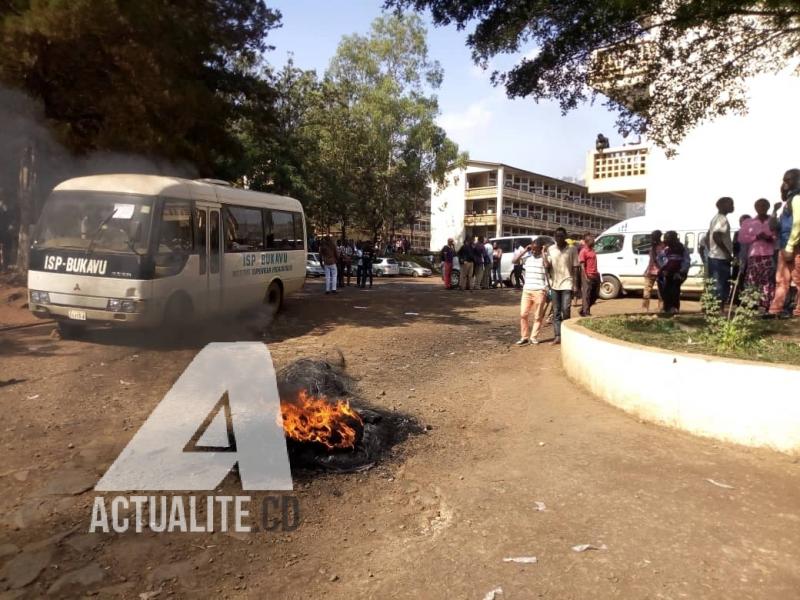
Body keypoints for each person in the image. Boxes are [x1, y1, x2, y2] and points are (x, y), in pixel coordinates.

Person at [769, 169, 800, 317]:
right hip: (784, 244)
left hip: (793, 245)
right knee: (781, 279)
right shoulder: (788, 200)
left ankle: (797, 311)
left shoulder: (797, 198)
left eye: (788, 180)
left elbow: (798, 224)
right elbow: (777, 226)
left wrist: (790, 246)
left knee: (798, 279)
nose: (785, 183)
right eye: (784, 180)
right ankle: (776, 309)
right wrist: (774, 214)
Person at [738, 199, 776, 312]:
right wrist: (756, 237)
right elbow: (742, 238)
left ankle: (765, 304)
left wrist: (770, 238)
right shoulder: (748, 222)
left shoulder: (773, 221)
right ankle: (751, 304)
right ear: (755, 207)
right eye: (759, 206)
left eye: (764, 205)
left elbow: (778, 235)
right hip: (754, 255)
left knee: (767, 280)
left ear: (768, 207)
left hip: (769, 254)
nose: (761, 208)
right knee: (752, 279)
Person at [544, 227, 579, 345]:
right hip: (554, 284)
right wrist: (544, 257)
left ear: (565, 237)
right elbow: (547, 265)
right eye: (557, 236)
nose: (559, 238)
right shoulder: (551, 249)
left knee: (566, 309)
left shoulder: (572, 249)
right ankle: (558, 336)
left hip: (567, 283)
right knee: (556, 311)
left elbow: (575, 268)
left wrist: (575, 284)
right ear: (554, 237)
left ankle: (567, 334)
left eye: (561, 236)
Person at [512, 238, 549, 345]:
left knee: (538, 316)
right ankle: (524, 337)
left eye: (535, 249)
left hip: (540, 290)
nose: (533, 251)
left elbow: (547, 265)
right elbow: (514, 261)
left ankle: (533, 337)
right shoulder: (527, 257)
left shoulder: (545, 258)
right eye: (531, 249)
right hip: (527, 290)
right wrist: (524, 250)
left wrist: (543, 253)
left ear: (540, 249)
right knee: (523, 314)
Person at [706, 196, 735, 305]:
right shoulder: (722, 219)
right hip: (720, 258)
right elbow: (716, 236)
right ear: (722, 205)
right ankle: (719, 309)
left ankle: (714, 308)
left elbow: (708, 236)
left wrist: (711, 250)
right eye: (730, 204)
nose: (733, 206)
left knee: (716, 283)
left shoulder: (715, 218)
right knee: (720, 284)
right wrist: (726, 252)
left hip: (714, 256)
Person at [657, 231, 690, 314]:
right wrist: (663, 268)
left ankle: (674, 308)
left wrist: (681, 271)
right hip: (667, 273)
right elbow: (659, 258)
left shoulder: (682, 249)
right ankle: (667, 307)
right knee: (666, 290)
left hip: (678, 273)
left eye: (669, 240)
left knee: (674, 290)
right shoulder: (667, 249)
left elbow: (686, 261)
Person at [642, 230, 665, 312]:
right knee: (650, 291)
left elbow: (658, 259)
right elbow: (651, 260)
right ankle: (648, 308)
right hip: (653, 271)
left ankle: (658, 308)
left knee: (658, 291)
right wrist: (646, 269)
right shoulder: (658, 246)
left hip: (658, 271)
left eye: (653, 236)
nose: (651, 238)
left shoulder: (661, 246)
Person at [579, 234, 600, 316]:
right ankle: (586, 312)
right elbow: (582, 266)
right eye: (592, 240)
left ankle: (583, 309)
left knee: (595, 295)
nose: (594, 241)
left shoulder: (592, 250)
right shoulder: (583, 251)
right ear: (587, 241)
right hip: (587, 276)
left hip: (595, 275)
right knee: (586, 295)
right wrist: (585, 276)